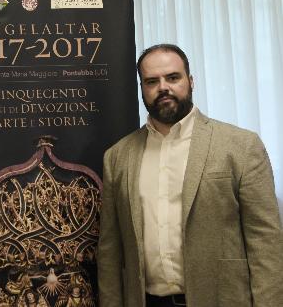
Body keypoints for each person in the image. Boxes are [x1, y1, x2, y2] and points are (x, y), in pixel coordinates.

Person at [97, 44, 283, 307]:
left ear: (191, 81)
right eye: (152, 81)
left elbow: (265, 241)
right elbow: (110, 251)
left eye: (173, 77)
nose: (163, 87)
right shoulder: (118, 157)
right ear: (142, 89)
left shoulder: (240, 146)